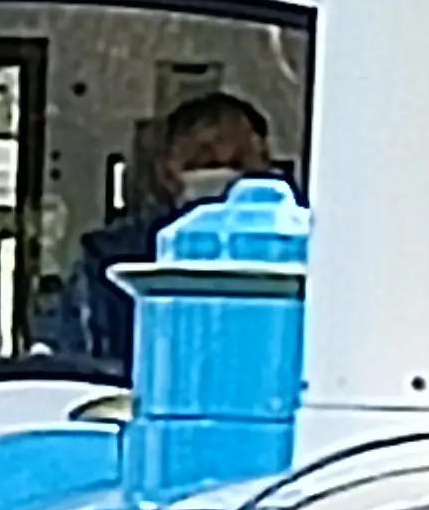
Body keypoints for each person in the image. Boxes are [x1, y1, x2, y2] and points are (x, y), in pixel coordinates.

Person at [35, 92, 285, 374]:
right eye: (199, 163)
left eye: (236, 164)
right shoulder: (109, 258)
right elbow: (78, 361)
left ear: (264, 167)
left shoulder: (296, 250)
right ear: (166, 172)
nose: (217, 175)